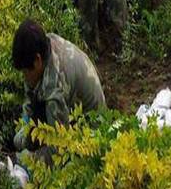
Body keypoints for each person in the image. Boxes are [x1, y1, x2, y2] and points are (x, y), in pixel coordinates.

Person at [11, 19, 106, 160]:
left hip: (93, 133)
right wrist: (25, 127)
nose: (25, 78)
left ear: (37, 60)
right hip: (72, 110)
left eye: (25, 72)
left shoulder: (55, 89)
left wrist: (29, 162)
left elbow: (59, 149)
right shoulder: (44, 46)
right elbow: (31, 97)